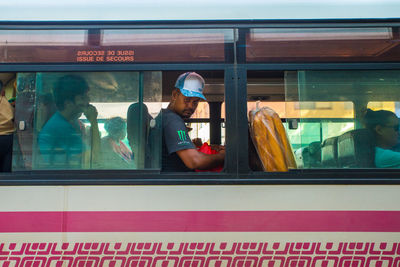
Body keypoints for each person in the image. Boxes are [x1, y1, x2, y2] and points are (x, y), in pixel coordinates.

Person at [160, 72, 225, 172]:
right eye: (187, 100)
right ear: (174, 95)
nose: (191, 106)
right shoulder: (173, 121)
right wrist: (223, 156)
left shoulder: (165, 117)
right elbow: (194, 161)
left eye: (195, 102)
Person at [38, 75, 100, 169]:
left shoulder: (69, 121)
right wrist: (94, 121)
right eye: (82, 98)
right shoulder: (61, 127)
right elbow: (92, 160)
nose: (88, 101)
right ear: (68, 103)